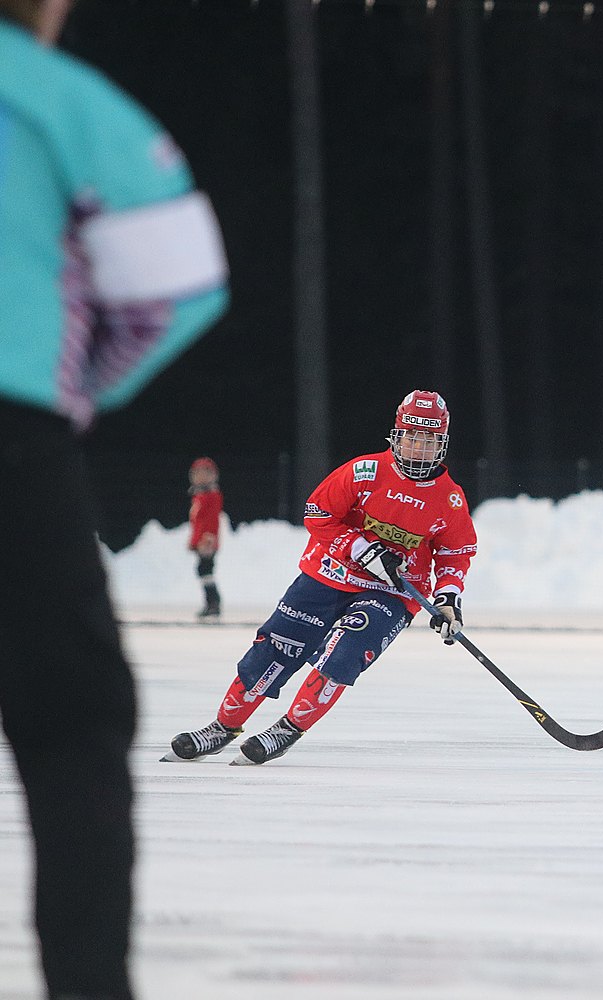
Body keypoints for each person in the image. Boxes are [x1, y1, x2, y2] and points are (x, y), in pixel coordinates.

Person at [0, 0, 230, 995]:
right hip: (11, 441)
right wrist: (75, 387)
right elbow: (178, 285)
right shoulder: (51, 96)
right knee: (72, 727)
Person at [164, 390, 477, 765]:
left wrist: (447, 599)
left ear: (441, 444)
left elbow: (454, 553)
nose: (418, 447)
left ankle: (289, 728)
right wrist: (361, 548)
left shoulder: (450, 499)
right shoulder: (366, 471)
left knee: (345, 652)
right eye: (412, 436)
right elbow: (316, 511)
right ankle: (223, 727)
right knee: (276, 647)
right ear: (397, 435)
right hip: (329, 572)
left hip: (393, 591)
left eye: (428, 440)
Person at [188, 456, 224, 620]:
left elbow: (210, 521)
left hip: (207, 542)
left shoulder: (212, 496)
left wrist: (207, 539)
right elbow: (197, 522)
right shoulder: (199, 496)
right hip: (202, 540)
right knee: (203, 570)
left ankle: (213, 602)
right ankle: (210, 603)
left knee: (205, 570)